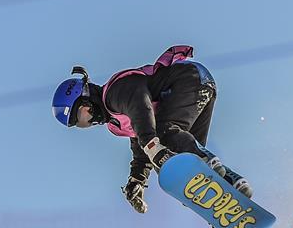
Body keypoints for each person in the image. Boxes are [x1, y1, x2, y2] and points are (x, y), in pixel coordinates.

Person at [52, 45, 252, 214]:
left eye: (81, 114)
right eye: (80, 124)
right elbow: (140, 142)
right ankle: (230, 185)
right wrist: (136, 179)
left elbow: (140, 105)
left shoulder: (113, 92)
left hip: (187, 80)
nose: (87, 121)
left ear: (87, 97)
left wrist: (151, 143)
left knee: (165, 136)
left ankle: (205, 160)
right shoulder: (115, 122)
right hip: (199, 84)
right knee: (182, 159)